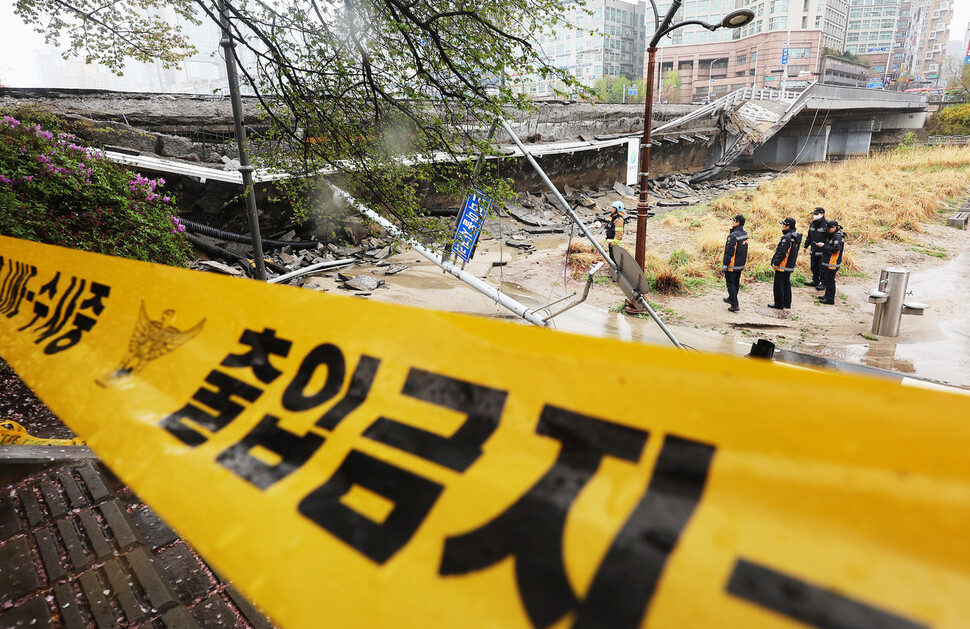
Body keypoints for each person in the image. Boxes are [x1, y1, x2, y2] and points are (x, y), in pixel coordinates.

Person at [769, 217, 802, 309]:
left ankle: (779, 304)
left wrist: (775, 262)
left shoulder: (786, 238)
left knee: (778, 285)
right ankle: (787, 303)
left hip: (782, 265)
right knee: (786, 284)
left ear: (787, 226)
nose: (782, 226)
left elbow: (782, 252)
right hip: (790, 265)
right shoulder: (796, 236)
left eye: (783, 224)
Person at [722, 214, 749, 312]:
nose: (732, 222)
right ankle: (731, 298)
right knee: (736, 282)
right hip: (740, 263)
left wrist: (726, 264)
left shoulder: (733, 236)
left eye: (733, 221)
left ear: (737, 222)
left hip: (732, 264)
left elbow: (729, 251)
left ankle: (735, 304)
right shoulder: (745, 234)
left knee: (730, 283)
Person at [817, 220, 844, 305]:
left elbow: (835, 250)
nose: (828, 231)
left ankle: (830, 299)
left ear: (834, 227)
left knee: (830, 281)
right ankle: (827, 296)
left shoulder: (838, 237)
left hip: (832, 263)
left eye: (829, 229)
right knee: (828, 281)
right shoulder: (833, 235)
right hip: (828, 262)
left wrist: (824, 246)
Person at [803, 207, 827, 289]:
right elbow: (809, 236)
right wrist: (806, 246)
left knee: (822, 268)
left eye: (817, 214)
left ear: (823, 214)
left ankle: (823, 283)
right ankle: (815, 281)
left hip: (823, 251)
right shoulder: (813, 223)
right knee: (814, 266)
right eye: (814, 214)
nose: (815, 216)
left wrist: (825, 246)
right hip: (814, 249)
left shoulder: (826, 224)